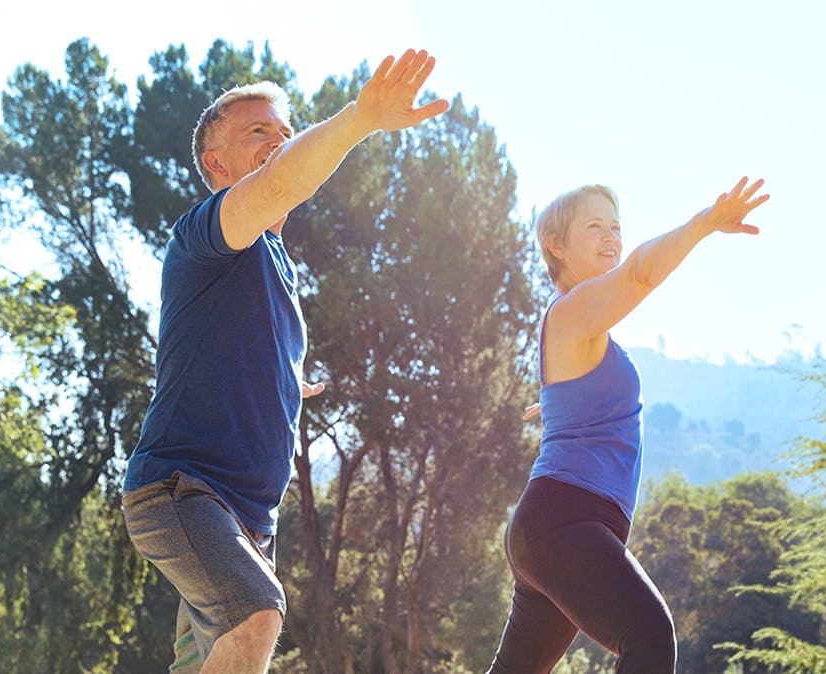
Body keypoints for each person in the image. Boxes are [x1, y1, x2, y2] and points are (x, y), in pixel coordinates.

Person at [120, 49, 449, 674]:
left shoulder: (274, 266)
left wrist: (287, 381)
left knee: (211, 661)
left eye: (285, 132)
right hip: (182, 491)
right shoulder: (203, 235)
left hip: (243, 521)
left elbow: (229, 349)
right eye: (258, 131)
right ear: (217, 164)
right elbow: (277, 184)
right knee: (257, 616)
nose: (279, 140)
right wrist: (360, 119)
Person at [487, 178, 769, 673]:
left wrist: (554, 407)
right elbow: (640, 273)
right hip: (565, 519)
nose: (611, 237)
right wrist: (703, 223)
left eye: (615, 226)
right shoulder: (572, 313)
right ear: (556, 245)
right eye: (594, 226)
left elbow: (573, 396)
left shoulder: (580, 330)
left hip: (555, 527)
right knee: (649, 634)